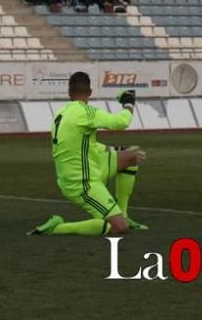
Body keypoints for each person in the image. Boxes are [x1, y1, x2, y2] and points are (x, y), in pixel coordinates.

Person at [29, 77, 146, 235]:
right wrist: (129, 103)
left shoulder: (60, 114)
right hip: (82, 183)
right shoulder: (86, 112)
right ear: (90, 92)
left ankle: (124, 214)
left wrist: (116, 149)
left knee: (130, 158)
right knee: (120, 227)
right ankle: (57, 228)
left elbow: (85, 145)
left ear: (69, 93)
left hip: (85, 171)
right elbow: (121, 122)